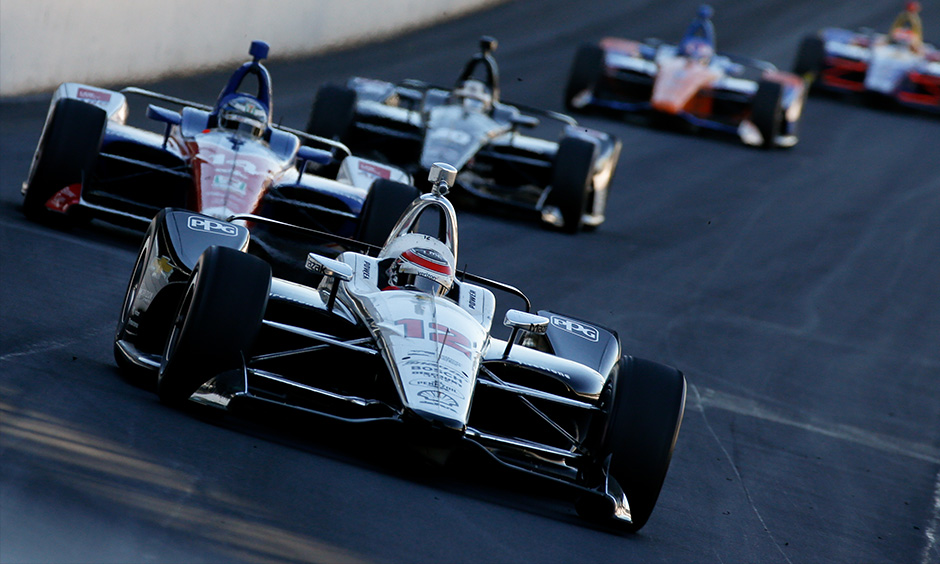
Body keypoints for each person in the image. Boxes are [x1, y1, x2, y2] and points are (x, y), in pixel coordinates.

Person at [384, 236, 455, 297]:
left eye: (430, 287)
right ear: (395, 276)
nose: (422, 296)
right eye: (414, 282)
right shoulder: (385, 296)